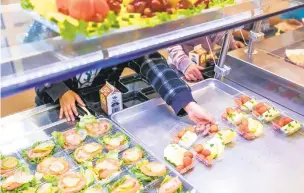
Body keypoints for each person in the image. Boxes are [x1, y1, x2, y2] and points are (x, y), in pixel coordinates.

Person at [35, 52, 215, 125]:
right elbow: (35, 61)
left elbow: (151, 64)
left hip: (102, 101)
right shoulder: (57, 19)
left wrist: (186, 102)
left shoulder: (121, 29)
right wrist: (60, 90)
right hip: (56, 106)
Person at [167, 31, 244, 81]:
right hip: (180, 67)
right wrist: (185, 64)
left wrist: (230, 43)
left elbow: (218, 33)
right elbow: (172, 45)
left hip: (204, 63)